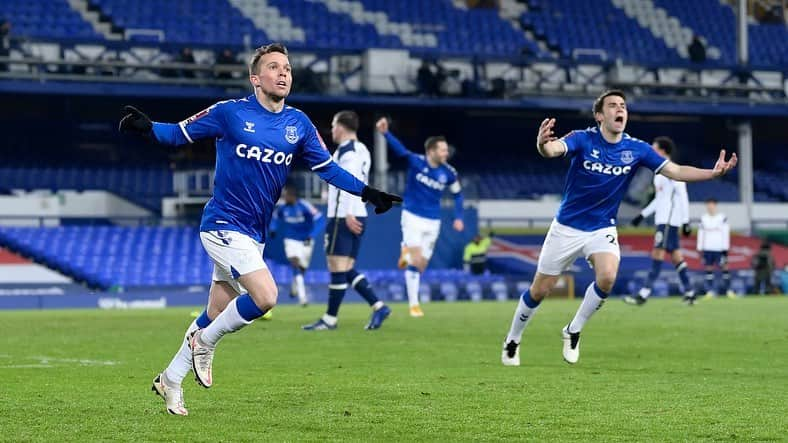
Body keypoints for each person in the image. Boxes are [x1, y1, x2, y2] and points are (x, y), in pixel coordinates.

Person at [119, 42, 401, 415]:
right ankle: (204, 343)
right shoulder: (229, 113)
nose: (284, 73)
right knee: (266, 297)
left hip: (253, 234)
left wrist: (368, 193)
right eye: (274, 67)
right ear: (255, 78)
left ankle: (170, 379)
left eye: (287, 67)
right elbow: (177, 134)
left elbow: (327, 169)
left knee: (216, 312)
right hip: (221, 224)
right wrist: (147, 128)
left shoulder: (298, 123)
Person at [501, 89, 737, 367]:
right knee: (540, 290)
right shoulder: (582, 138)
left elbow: (675, 171)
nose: (619, 109)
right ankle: (513, 340)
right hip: (567, 227)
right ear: (600, 115)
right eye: (612, 105)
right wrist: (542, 144)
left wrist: (713, 173)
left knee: (608, 277)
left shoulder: (636, 148)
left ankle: (573, 330)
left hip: (602, 228)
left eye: (623, 105)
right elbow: (553, 150)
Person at [303, 110, 392, 330]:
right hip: (358, 212)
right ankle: (379, 306)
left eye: (333, 125)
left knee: (336, 267)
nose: (332, 130)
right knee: (346, 268)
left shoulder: (347, 152)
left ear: (341, 127)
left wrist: (347, 213)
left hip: (344, 215)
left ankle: (330, 319)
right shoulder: (362, 149)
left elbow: (348, 184)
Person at [375, 117, 465, 317]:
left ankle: (405, 251)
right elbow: (400, 151)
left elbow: (458, 194)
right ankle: (414, 304)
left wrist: (459, 217)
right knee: (415, 259)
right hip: (412, 216)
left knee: (421, 265)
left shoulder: (449, 173)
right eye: (442, 149)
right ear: (431, 151)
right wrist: (385, 133)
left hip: (433, 221)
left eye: (446, 149)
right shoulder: (417, 161)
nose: (446, 152)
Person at [624, 136, 694, 305]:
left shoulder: (673, 170)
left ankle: (644, 294)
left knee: (657, 253)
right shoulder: (659, 171)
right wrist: (642, 215)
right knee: (676, 256)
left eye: (654, 148)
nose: (651, 150)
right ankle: (690, 292)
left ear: (663, 151)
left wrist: (686, 221)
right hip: (663, 219)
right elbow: (660, 199)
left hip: (668, 221)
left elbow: (682, 194)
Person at [269, 185, 324, 306]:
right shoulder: (282, 208)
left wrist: (312, 235)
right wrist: (273, 229)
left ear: (293, 196)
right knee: (295, 264)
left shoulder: (304, 206)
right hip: (290, 240)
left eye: (286, 196)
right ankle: (303, 298)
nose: (284, 198)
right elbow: (275, 217)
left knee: (302, 268)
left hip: (306, 240)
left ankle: (295, 285)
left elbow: (320, 219)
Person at [697, 198, 734, 298]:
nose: (710, 207)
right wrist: (700, 247)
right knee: (709, 268)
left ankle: (729, 290)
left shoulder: (722, 218)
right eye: (708, 205)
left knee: (725, 268)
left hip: (719, 248)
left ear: (715, 206)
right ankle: (710, 291)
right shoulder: (703, 218)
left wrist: (725, 248)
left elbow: (725, 233)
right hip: (708, 248)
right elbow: (701, 233)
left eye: (712, 205)